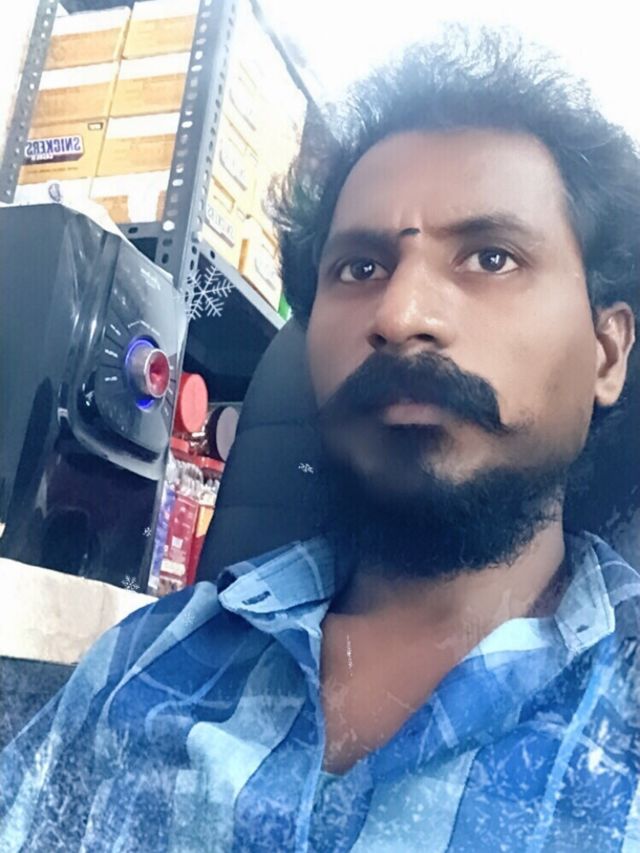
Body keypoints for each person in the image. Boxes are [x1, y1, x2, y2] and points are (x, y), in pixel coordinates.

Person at [2, 27, 640, 852]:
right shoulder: (145, 662)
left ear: (607, 353)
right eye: (360, 268)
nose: (401, 315)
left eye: (490, 257)